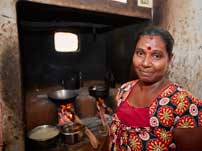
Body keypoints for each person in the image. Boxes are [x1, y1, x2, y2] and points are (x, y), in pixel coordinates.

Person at [109, 26, 202, 151]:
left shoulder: (184, 103)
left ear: (170, 59)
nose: (146, 63)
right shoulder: (124, 90)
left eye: (156, 56)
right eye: (140, 53)